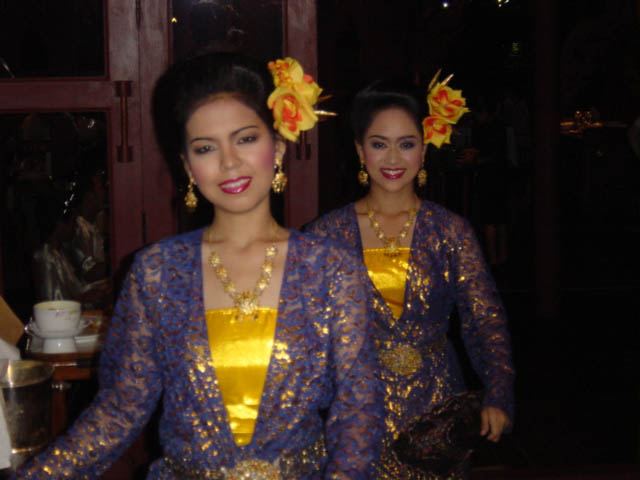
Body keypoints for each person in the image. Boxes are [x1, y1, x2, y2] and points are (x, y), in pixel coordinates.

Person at [16, 53, 382, 479]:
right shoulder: (156, 272)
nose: (229, 162)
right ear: (188, 167)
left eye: (246, 139)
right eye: (206, 148)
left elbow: (359, 412)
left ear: (279, 146)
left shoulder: (331, 270)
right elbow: (119, 410)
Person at [305, 81, 515, 479]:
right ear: (360, 151)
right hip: (355, 414)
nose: (392, 158)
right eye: (379, 144)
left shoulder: (450, 231)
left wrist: (498, 393)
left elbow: (484, 320)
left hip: (436, 416)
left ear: (423, 149)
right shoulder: (325, 236)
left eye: (406, 144)